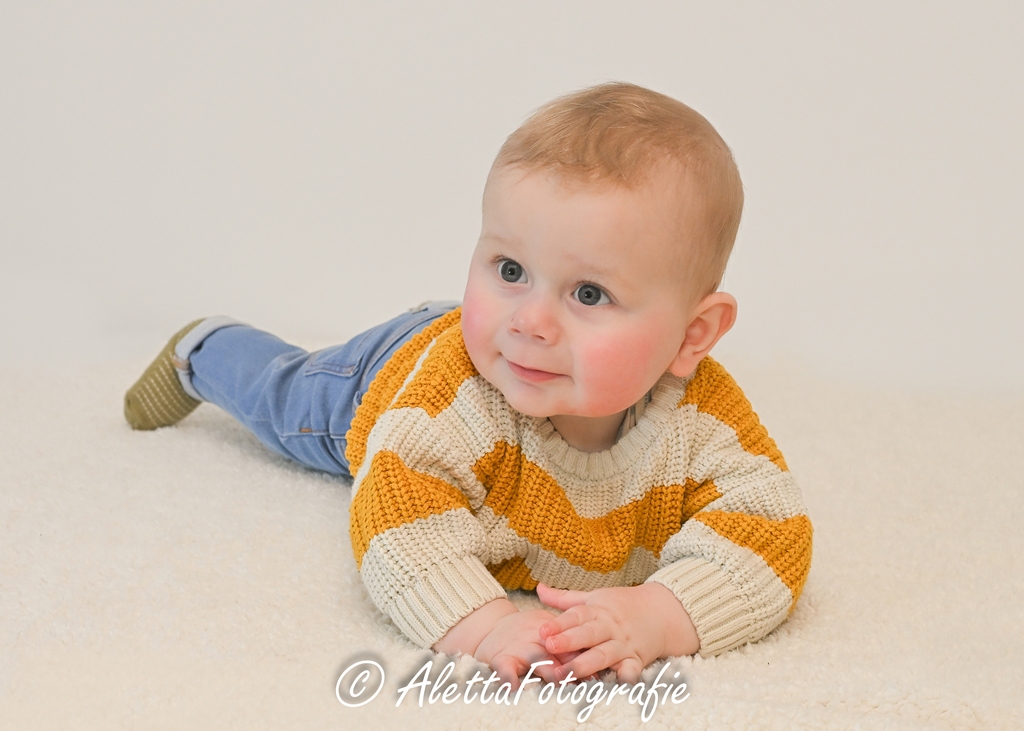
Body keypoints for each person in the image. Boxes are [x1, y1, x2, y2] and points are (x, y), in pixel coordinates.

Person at [124, 82, 812, 687]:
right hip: (394, 371)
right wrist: (485, 624)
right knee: (291, 403)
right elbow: (396, 520)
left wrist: (660, 614)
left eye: (589, 293)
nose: (530, 321)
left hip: (480, 356)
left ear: (692, 336)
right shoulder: (449, 405)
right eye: (510, 271)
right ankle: (205, 349)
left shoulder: (704, 420)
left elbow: (772, 533)